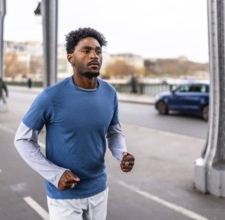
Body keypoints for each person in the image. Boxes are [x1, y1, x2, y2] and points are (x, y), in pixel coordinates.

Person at [14, 27, 135, 220]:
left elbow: (114, 131)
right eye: (86, 51)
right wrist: (55, 174)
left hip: (99, 190)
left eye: (98, 51)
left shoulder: (110, 93)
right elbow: (22, 139)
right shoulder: (50, 96)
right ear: (71, 58)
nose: (94, 55)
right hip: (64, 196)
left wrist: (122, 153)